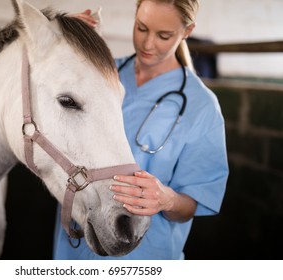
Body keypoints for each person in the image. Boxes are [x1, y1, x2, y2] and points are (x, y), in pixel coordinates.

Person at [53, 0, 229, 259]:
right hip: (77, 245)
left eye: (164, 35)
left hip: (143, 254)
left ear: (187, 31)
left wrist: (167, 199)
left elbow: (193, 202)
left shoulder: (201, 107)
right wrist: (63, 35)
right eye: (142, 28)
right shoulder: (100, 73)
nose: (148, 44)